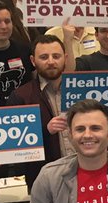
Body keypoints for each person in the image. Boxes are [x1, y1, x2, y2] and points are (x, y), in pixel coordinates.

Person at [8, 34, 73, 168]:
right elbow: (13, 143)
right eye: (44, 57)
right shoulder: (21, 96)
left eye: (56, 56)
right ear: (33, 61)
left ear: (65, 58)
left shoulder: (82, 90)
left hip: (85, 168)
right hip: (44, 172)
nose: (51, 62)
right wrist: (45, 130)